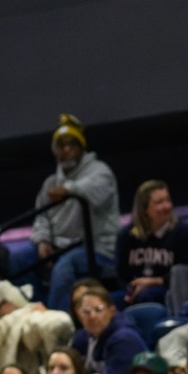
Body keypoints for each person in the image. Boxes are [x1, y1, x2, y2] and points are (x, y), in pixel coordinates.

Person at [30, 113, 120, 309]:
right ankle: (32, 312)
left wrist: (69, 189)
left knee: (65, 266)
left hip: (96, 250)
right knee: (20, 260)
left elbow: (94, 190)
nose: (67, 150)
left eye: (72, 144)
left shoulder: (100, 171)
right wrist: (42, 241)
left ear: (82, 147)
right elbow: (41, 218)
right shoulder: (51, 183)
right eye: (61, 146)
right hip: (58, 246)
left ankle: (56, 324)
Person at [119, 180, 188, 307]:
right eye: (159, 202)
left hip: (168, 289)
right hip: (134, 290)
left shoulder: (184, 233)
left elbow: (187, 273)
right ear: (144, 208)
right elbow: (121, 272)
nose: (167, 206)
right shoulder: (127, 235)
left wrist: (155, 281)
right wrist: (133, 287)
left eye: (168, 200)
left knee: (148, 297)